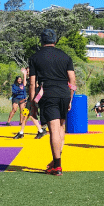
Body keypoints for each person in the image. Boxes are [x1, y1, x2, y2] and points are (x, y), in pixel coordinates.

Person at [27, 29, 76, 175]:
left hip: (49, 94)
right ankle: (56, 161)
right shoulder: (65, 56)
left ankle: (57, 166)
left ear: (42, 40)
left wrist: (32, 103)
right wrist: (70, 98)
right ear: (55, 40)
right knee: (60, 128)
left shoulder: (35, 57)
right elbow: (72, 80)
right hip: (64, 93)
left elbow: (32, 83)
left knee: (53, 129)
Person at [12, 65, 45, 139]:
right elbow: (24, 84)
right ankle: (22, 132)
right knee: (27, 115)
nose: (27, 72)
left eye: (28, 71)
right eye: (26, 71)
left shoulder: (36, 79)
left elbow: (41, 89)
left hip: (34, 98)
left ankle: (39, 130)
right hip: (31, 98)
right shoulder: (29, 79)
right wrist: (24, 75)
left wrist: (37, 99)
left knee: (29, 115)